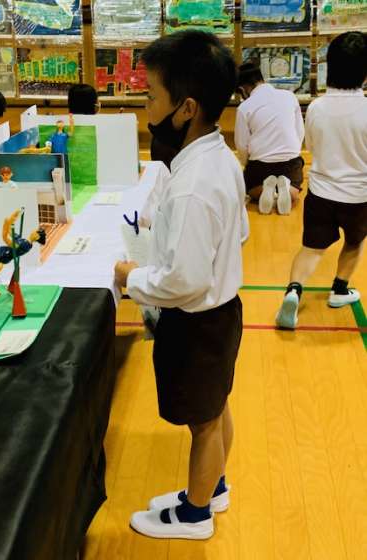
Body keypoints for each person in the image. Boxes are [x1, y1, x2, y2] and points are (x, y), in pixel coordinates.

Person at [114, 30, 246, 540]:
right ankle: (213, 487)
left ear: (186, 107)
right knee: (215, 404)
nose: (145, 107)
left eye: (150, 96)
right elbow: (236, 232)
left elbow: (184, 282)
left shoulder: (193, 183)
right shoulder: (218, 157)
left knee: (204, 421)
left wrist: (132, 277)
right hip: (221, 314)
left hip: (197, 323)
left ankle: (196, 514)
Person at [276, 32, 367, 329]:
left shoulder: (316, 107)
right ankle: (340, 290)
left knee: (311, 248)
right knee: (354, 242)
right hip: (358, 196)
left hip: (321, 192)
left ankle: (293, 291)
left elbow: (312, 147)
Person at [234, 62, 305, 215]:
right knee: (295, 188)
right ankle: (288, 190)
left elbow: (241, 145)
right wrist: (293, 151)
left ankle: (267, 192)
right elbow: (300, 131)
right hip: (290, 161)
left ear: (242, 89)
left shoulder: (244, 108)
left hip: (261, 165)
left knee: (249, 188)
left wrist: (247, 165)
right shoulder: (290, 97)